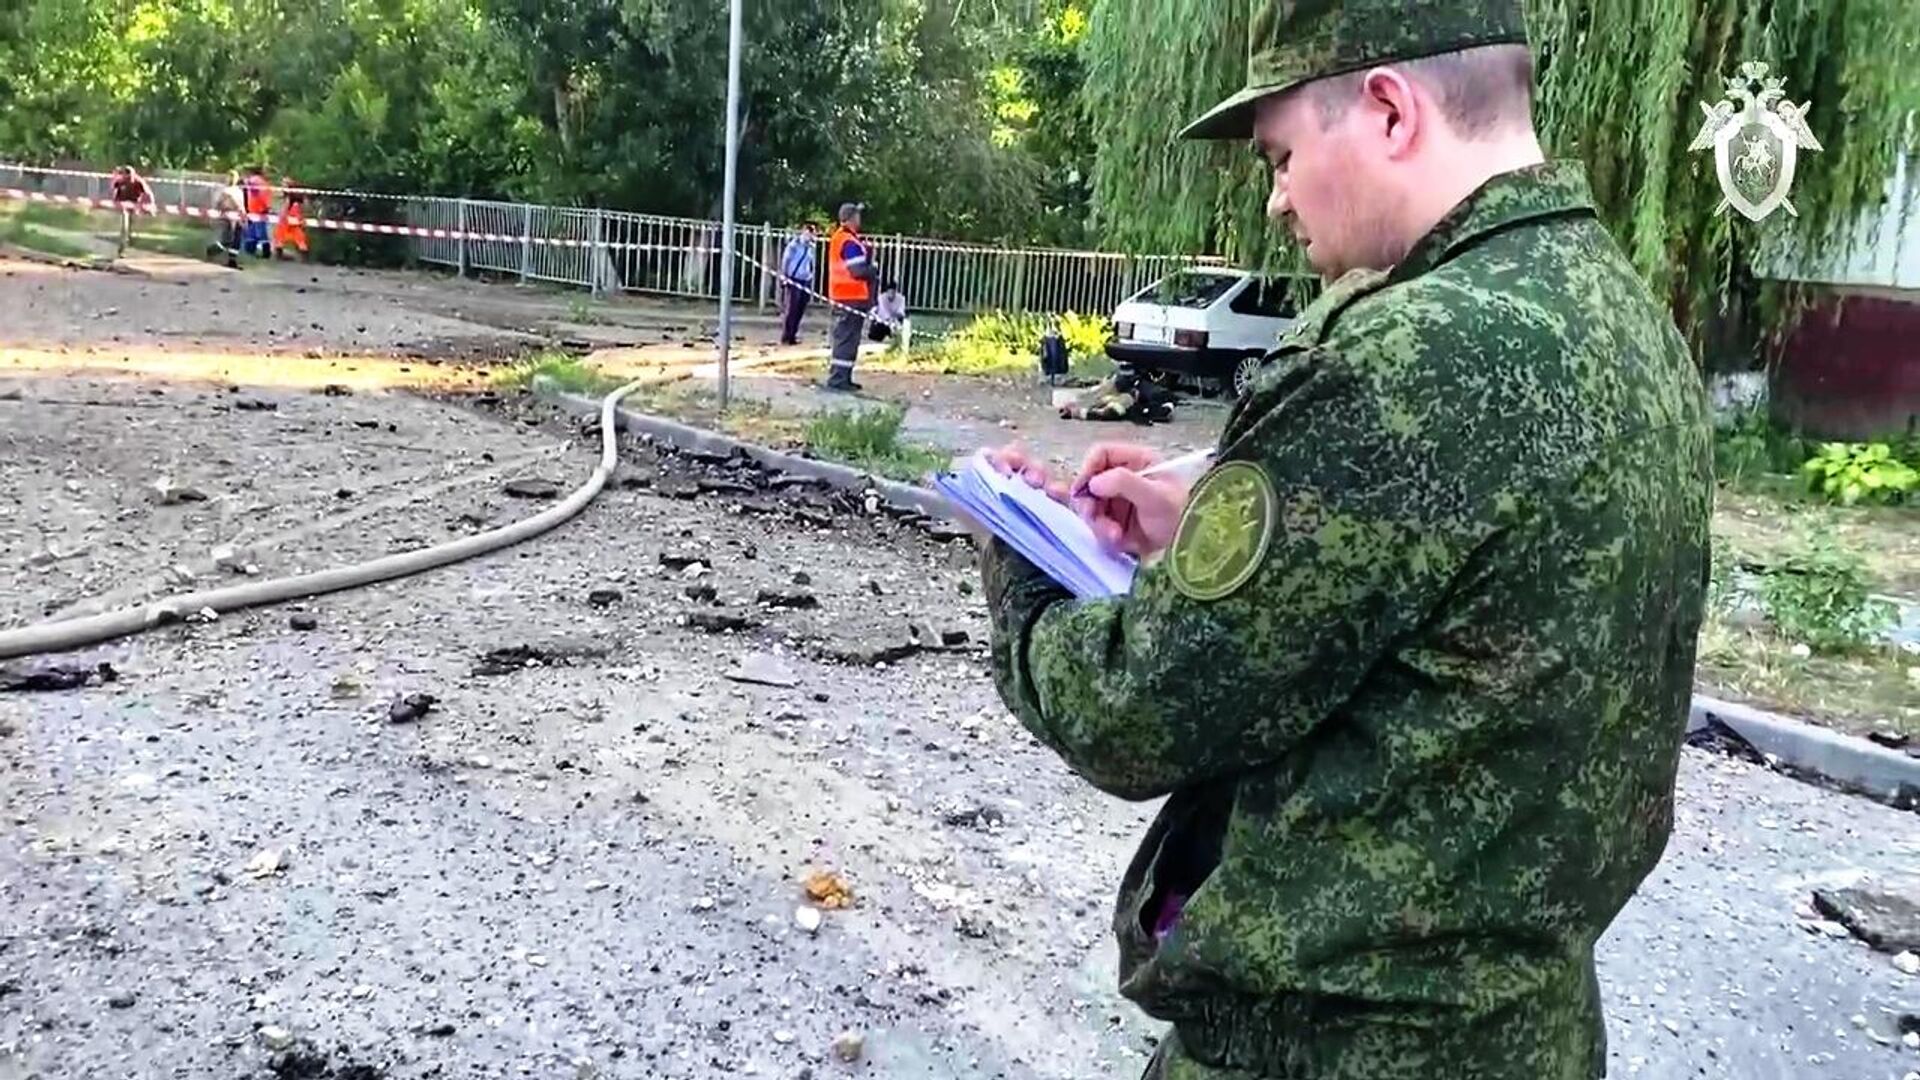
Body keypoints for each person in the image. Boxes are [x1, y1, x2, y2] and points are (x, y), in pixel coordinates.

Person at [974, 3, 1713, 1078]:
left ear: (1387, 109)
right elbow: (1466, 606)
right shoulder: (1628, 326)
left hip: (1334, 1046)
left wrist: (1021, 559)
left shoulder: (1400, 358)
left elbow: (1135, 711)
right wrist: (1209, 521)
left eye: (1281, 155)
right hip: (1528, 1033)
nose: (1276, 198)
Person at [824, 202, 877, 391]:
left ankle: (843, 378)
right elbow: (857, 270)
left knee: (849, 339)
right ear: (852, 218)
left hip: (846, 296)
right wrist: (873, 269)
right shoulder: (848, 241)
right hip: (849, 297)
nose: (860, 219)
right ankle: (838, 380)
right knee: (846, 339)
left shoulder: (845, 238)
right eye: (858, 216)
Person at [778, 221, 818, 345]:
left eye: (813, 232)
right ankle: (786, 336)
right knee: (791, 309)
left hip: (804, 280)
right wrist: (784, 277)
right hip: (793, 279)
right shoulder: (794, 245)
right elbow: (786, 260)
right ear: (804, 231)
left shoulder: (811, 247)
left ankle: (793, 335)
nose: (811, 234)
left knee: (800, 308)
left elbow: (810, 263)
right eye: (809, 231)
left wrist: (810, 276)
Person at [107, 165, 155, 259]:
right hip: (123, 206)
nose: (128, 179)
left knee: (131, 227)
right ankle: (122, 249)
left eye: (129, 177)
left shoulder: (138, 181)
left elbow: (149, 193)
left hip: (134, 205)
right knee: (124, 227)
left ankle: (130, 242)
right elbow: (113, 189)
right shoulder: (121, 181)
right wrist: (114, 201)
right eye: (126, 176)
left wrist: (151, 205)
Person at [206, 172, 245, 270]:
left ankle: (232, 261)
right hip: (228, 217)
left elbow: (241, 204)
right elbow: (220, 203)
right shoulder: (225, 191)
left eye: (234, 177)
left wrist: (243, 215)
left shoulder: (238, 191)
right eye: (230, 177)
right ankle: (212, 250)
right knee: (227, 240)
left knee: (237, 239)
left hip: (238, 217)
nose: (232, 179)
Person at [273, 178, 309, 262]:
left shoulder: (289, 195)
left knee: (280, 235)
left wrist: (281, 216)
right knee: (299, 237)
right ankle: (304, 257)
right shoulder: (300, 194)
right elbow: (305, 206)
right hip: (297, 219)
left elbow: (286, 207)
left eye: (284, 183)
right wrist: (303, 218)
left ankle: (279, 255)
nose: (282, 185)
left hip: (287, 218)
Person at [241, 167, 273, 258]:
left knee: (252, 230)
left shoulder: (253, 181)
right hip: (259, 209)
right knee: (261, 232)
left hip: (252, 208)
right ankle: (265, 252)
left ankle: (250, 250)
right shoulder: (261, 182)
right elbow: (262, 196)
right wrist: (267, 206)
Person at [868, 281, 908, 349]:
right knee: (874, 336)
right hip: (883, 322)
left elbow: (901, 312)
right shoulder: (881, 298)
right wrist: (888, 319)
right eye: (889, 292)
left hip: (895, 322)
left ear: (895, 292)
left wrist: (895, 319)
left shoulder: (901, 299)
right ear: (886, 292)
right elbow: (883, 312)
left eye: (893, 292)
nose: (891, 294)